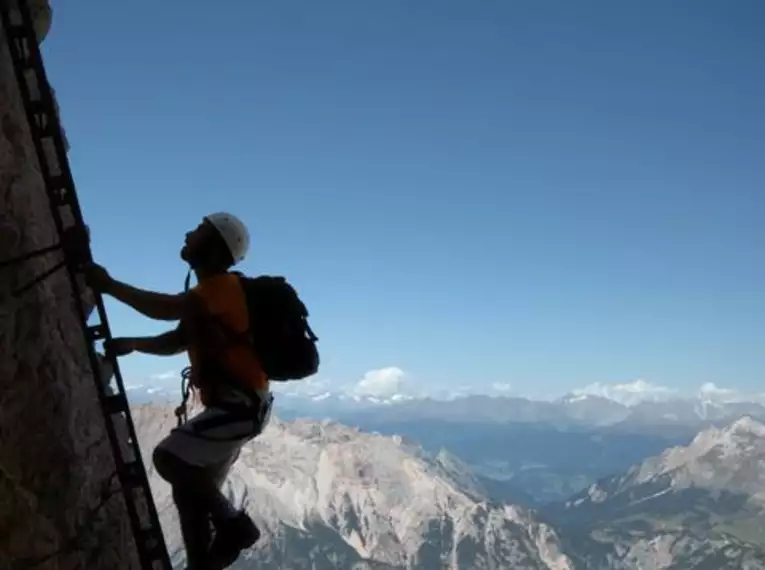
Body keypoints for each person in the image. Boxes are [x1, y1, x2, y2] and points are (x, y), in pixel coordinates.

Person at [86, 212, 270, 570]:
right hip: (240, 408)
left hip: (239, 408)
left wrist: (108, 285)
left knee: (168, 458)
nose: (188, 234)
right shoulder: (214, 294)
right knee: (190, 494)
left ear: (216, 248)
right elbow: (178, 339)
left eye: (199, 232)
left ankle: (234, 525)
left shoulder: (220, 288)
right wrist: (135, 343)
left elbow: (167, 310)